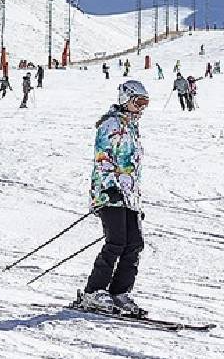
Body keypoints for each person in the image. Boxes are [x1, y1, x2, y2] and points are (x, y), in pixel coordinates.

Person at [77, 80, 149, 317]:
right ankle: (93, 291)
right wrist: (110, 188)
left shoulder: (131, 126)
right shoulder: (110, 124)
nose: (141, 108)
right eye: (138, 102)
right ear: (125, 99)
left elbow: (132, 164)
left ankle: (119, 292)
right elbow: (103, 158)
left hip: (128, 196)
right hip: (108, 192)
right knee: (116, 242)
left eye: (145, 103)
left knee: (135, 243)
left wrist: (135, 198)